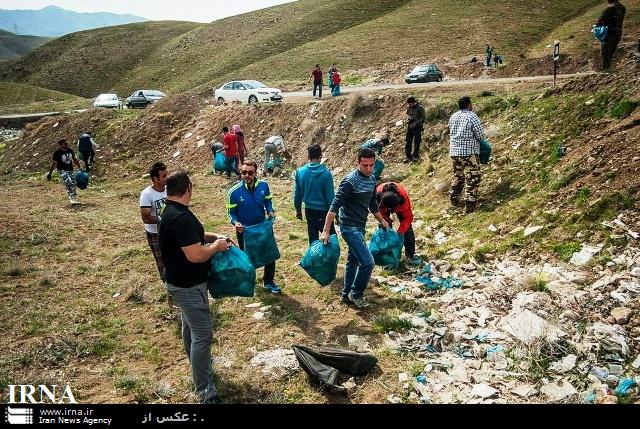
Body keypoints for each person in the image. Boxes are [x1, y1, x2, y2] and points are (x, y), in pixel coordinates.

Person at [158, 170, 231, 405]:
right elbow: (196, 255)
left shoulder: (171, 212)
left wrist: (213, 237)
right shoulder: (180, 217)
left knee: (189, 327)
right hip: (189, 285)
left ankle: (197, 367)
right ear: (188, 188)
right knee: (203, 335)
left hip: (178, 283)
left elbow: (194, 236)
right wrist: (216, 247)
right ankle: (206, 391)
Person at [320, 148, 389, 309]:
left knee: (353, 260)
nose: (369, 169)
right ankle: (356, 293)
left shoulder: (372, 179)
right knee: (368, 262)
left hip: (361, 225)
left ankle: (345, 294)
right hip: (348, 227)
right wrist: (325, 230)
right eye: (364, 165)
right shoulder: (349, 181)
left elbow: (372, 204)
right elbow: (334, 206)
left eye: (371, 165)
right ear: (357, 163)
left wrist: (382, 221)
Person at [227, 160, 281, 293]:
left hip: (262, 227)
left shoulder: (264, 186)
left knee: (269, 254)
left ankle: (268, 281)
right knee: (247, 258)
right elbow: (231, 213)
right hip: (244, 231)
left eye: (250, 172)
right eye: (244, 172)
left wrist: (270, 210)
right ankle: (248, 281)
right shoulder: (233, 192)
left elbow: (268, 200)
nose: (247, 175)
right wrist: (235, 223)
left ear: (255, 173)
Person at [448, 96, 486, 214]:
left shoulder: (453, 116)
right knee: (473, 177)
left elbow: (450, 132)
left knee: (458, 176)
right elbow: (480, 136)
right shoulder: (472, 116)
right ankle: (469, 205)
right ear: (469, 105)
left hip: (454, 152)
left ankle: (453, 199)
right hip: (468, 152)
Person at [293, 144, 336, 244]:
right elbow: (330, 198)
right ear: (321, 157)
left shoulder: (300, 172)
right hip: (324, 212)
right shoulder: (326, 173)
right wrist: (336, 214)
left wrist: (298, 210)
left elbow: (297, 194)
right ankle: (328, 259)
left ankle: (314, 258)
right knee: (331, 240)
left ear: (308, 157)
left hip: (309, 211)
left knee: (313, 241)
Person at [376, 182, 421, 266]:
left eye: (391, 208)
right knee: (384, 229)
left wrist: (401, 231)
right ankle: (386, 256)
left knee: (407, 229)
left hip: (399, 206)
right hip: (382, 207)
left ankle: (410, 255)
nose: (390, 209)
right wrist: (386, 221)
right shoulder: (377, 197)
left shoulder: (403, 200)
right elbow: (378, 213)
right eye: (388, 208)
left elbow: (407, 218)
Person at [140, 162, 168, 285]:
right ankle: (168, 287)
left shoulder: (169, 189)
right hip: (155, 233)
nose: (167, 178)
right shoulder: (147, 194)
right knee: (162, 261)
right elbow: (145, 218)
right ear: (155, 179)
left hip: (170, 230)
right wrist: (163, 219)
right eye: (164, 176)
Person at [47, 138, 83, 205]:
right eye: (65, 144)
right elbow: (53, 164)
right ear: (60, 145)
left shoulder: (70, 150)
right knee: (68, 182)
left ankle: (74, 198)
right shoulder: (57, 153)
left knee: (74, 183)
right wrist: (50, 173)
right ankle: (72, 198)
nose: (67, 145)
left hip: (70, 170)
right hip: (62, 170)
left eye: (67, 143)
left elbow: (74, 159)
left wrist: (80, 167)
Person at [596, 0, 626, 70]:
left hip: (608, 33)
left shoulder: (610, 8)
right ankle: (608, 70)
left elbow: (599, 20)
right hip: (618, 32)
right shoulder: (623, 8)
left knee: (605, 52)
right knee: (611, 52)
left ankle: (605, 71)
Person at [405, 97, 426, 163]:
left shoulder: (420, 108)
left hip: (417, 127)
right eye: (408, 104)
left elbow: (423, 117)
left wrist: (416, 123)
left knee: (417, 142)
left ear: (414, 102)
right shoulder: (409, 107)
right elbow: (408, 115)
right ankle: (408, 156)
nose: (409, 105)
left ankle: (415, 156)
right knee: (408, 142)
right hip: (410, 127)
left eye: (410, 104)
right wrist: (408, 120)